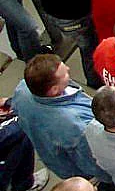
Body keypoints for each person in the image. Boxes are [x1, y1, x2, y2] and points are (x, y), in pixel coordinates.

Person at [12, 54, 108, 183]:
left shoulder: (23, 88)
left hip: (52, 157)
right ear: (54, 90)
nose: (68, 69)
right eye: (65, 74)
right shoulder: (74, 124)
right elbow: (91, 162)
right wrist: (108, 178)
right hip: (78, 170)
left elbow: (15, 106)